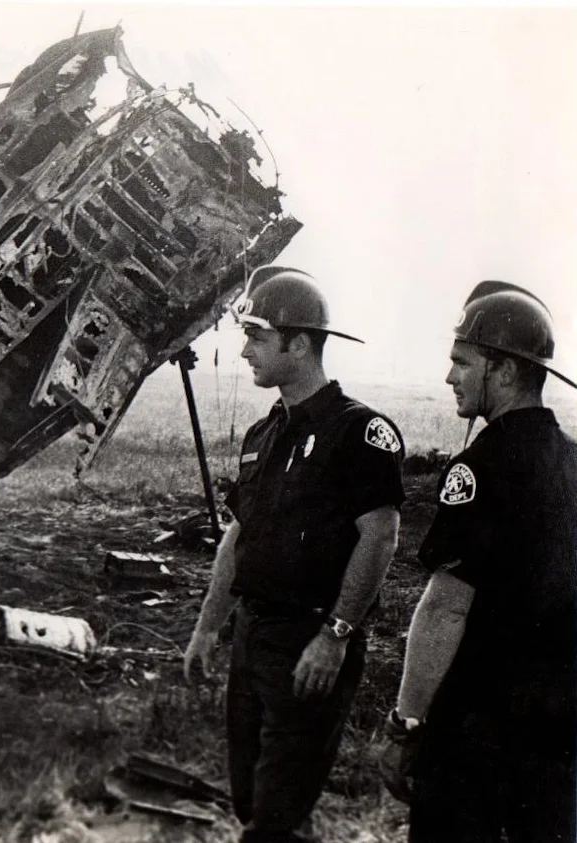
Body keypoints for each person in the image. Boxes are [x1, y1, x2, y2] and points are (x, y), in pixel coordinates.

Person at [184, 266, 405, 842]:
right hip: (253, 640)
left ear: (298, 343)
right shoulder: (264, 434)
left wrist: (336, 635)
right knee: (251, 799)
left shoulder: (358, 432)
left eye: (257, 337)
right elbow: (240, 535)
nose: (245, 352)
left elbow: (380, 535)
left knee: (273, 818)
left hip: (309, 644)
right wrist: (208, 628)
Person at [378, 281, 577, 842]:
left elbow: (444, 610)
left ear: (505, 370)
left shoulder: (479, 467)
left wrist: (406, 726)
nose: (449, 378)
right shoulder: (573, 462)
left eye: (461, 362)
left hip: (477, 727)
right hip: (559, 728)